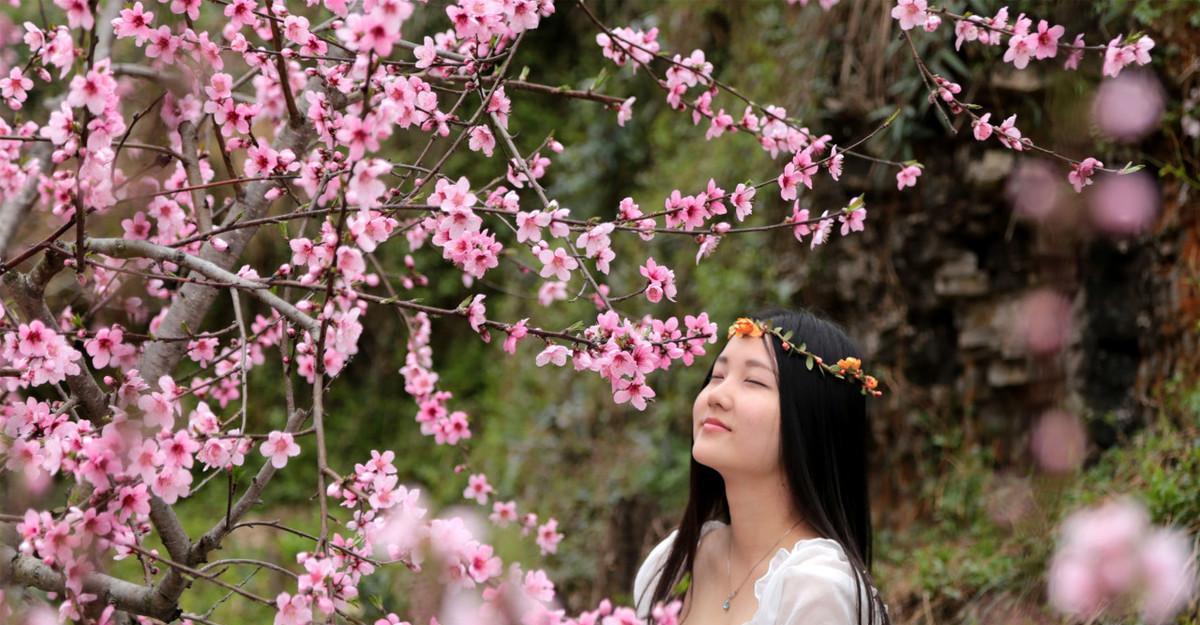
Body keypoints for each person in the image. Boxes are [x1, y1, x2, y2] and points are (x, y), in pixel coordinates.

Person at [632, 308, 889, 625]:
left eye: (753, 380)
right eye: (717, 376)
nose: (717, 396)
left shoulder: (815, 589)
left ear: (812, 419)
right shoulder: (674, 560)